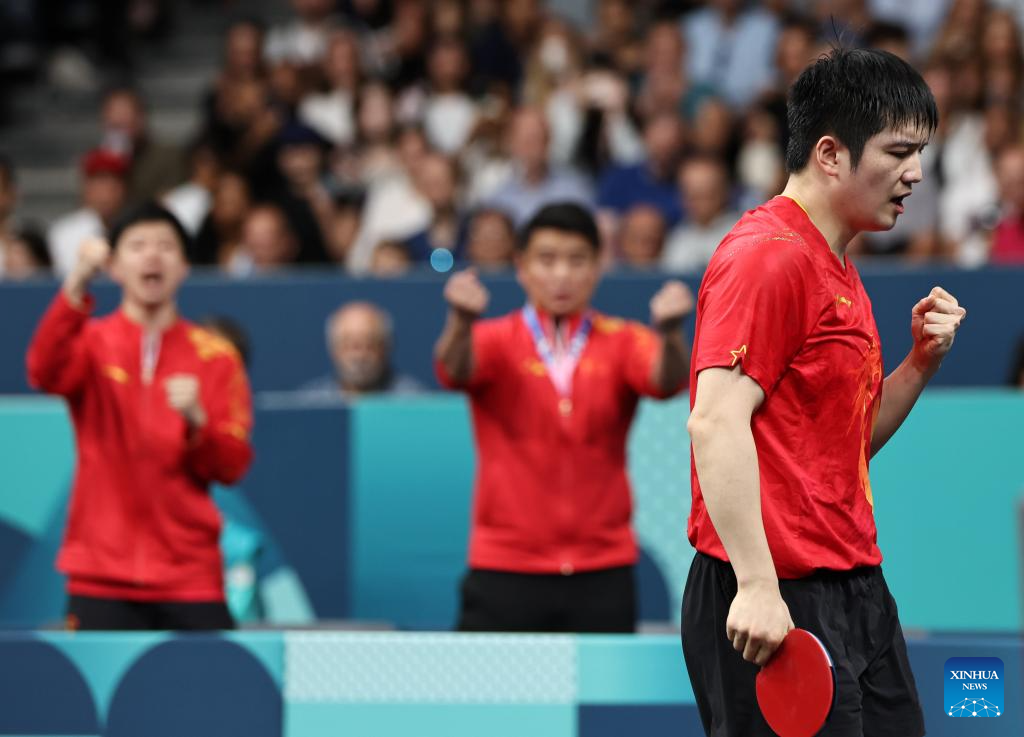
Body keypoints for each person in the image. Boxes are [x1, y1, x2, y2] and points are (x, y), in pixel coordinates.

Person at [681, 48, 966, 737]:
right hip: (776, 594)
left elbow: (844, 446)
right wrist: (757, 585)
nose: (915, 173)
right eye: (898, 152)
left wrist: (919, 365)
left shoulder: (834, 262)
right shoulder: (768, 257)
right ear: (831, 154)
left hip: (856, 585)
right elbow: (715, 422)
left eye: (920, 153)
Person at [434, 202, 694, 633]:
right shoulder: (493, 339)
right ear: (521, 267)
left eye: (576, 261)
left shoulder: (624, 339)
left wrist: (670, 333)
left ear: (597, 267)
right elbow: (454, 370)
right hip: (505, 565)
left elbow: (665, 381)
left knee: (603, 681)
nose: (561, 275)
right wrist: (460, 322)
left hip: (602, 567)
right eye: (547, 260)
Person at [26, 202, 254, 630]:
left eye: (166, 246)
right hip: (100, 574)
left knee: (214, 674)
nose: (152, 256)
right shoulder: (90, 344)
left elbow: (231, 466)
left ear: (184, 266)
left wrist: (198, 422)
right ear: (114, 267)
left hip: (190, 576)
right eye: (137, 246)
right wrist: (77, 281)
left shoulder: (217, 358)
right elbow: (43, 371)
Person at [297, 301, 423, 403]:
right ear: (333, 348)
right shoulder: (309, 404)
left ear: (385, 347)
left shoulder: (413, 401)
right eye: (349, 345)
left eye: (369, 344)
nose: (359, 356)